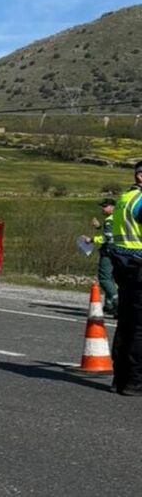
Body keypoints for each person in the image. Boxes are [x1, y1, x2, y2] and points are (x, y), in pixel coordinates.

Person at [107, 161, 142, 396]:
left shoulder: (124, 198)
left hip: (123, 265)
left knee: (126, 323)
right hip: (138, 265)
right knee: (139, 328)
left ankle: (119, 379)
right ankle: (135, 381)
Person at [84, 198, 118, 315]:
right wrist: (99, 227)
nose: (102, 209)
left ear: (112, 207)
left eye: (105, 206)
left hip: (109, 252)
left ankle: (117, 303)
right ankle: (109, 305)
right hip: (119, 252)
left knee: (104, 279)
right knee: (112, 279)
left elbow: (106, 238)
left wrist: (91, 240)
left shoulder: (109, 220)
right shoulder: (118, 218)